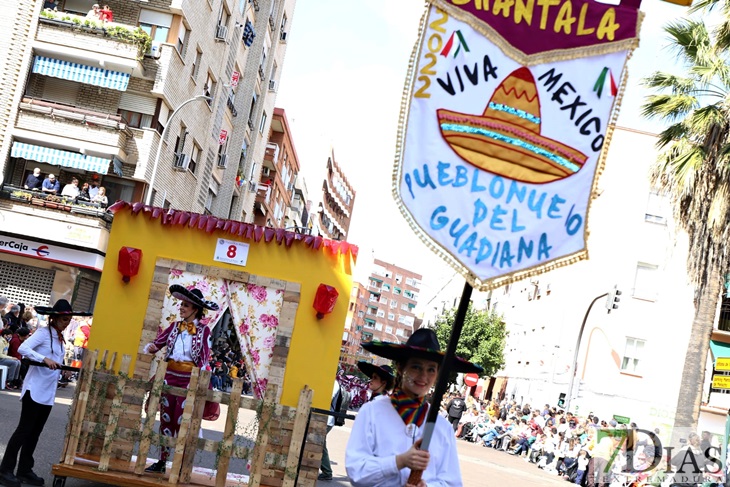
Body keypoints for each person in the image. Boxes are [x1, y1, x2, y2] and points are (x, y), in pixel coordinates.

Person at [345, 328, 482, 486]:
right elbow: (356, 471)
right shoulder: (372, 412)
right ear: (401, 367)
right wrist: (399, 461)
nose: (423, 376)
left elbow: (452, 483)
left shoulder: (443, 427)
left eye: (431, 369)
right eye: (416, 367)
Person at [0, 299, 92, 487]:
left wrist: (63, 369)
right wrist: (44, 359)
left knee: (35, 433)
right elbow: (24, 349)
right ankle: (5, 470)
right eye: (65, 319)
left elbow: (54, 361)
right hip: (34, 389)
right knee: (23, 431)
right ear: (54, 319)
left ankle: (25, 469)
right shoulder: (43, 333)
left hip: (48, 392)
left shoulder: (59, 337)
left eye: (69, 320)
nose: (67, 323)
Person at [142, 285, 219, 474]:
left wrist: (200, 380)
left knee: (182, 420)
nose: (181, 308)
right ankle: (162, 460)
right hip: (169, 376)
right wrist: (151, 347)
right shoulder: (174, 327)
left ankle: (181, 461)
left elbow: (203, 357)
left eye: (185, 305)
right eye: (181, 304)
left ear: (195, 309)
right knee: (166, 418)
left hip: (189, 379)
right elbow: (158, 343)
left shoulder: (204, 331)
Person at [318, 379, 341, 481]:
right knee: (320, 443)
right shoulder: (330, 381)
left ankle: (327, 472)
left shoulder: (334, 383)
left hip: (327, 419)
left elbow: (327, 398)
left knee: (320, 443)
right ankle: (327, 471)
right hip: (325, 418)